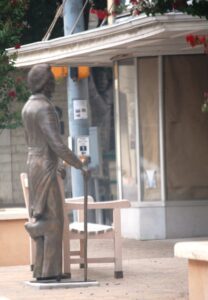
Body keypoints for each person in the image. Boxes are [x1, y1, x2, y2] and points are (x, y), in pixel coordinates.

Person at [22, 64, 85, 281]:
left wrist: (59, 163)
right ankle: (36, 230)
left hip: (34, 163)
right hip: (45, 165)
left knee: (48, 215)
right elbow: (56, 143)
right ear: (44, 83)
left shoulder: (28, 107)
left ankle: (43, 270)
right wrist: (78, 164)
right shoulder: (44, 108)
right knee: (55, 221)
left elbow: (34, 141)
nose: (54, 84)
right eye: (51, 80)